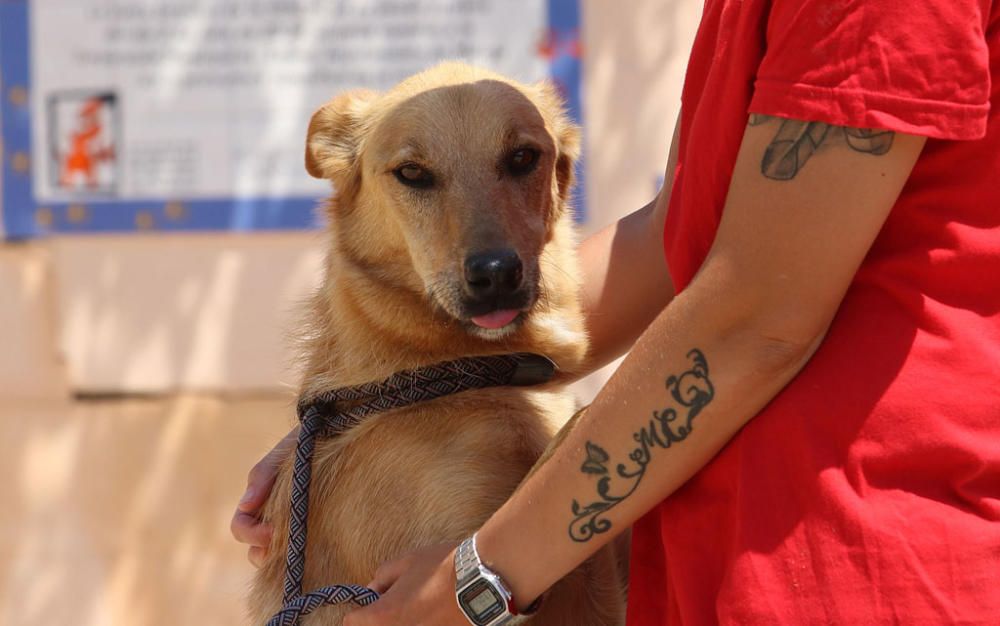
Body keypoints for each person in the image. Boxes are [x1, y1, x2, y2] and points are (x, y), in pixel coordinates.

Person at [232, 0, 1000, 622]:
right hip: (731, 557)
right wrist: (365, 403)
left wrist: (480, 576)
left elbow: (755, 315)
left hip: (856, 552)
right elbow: (682, 237)